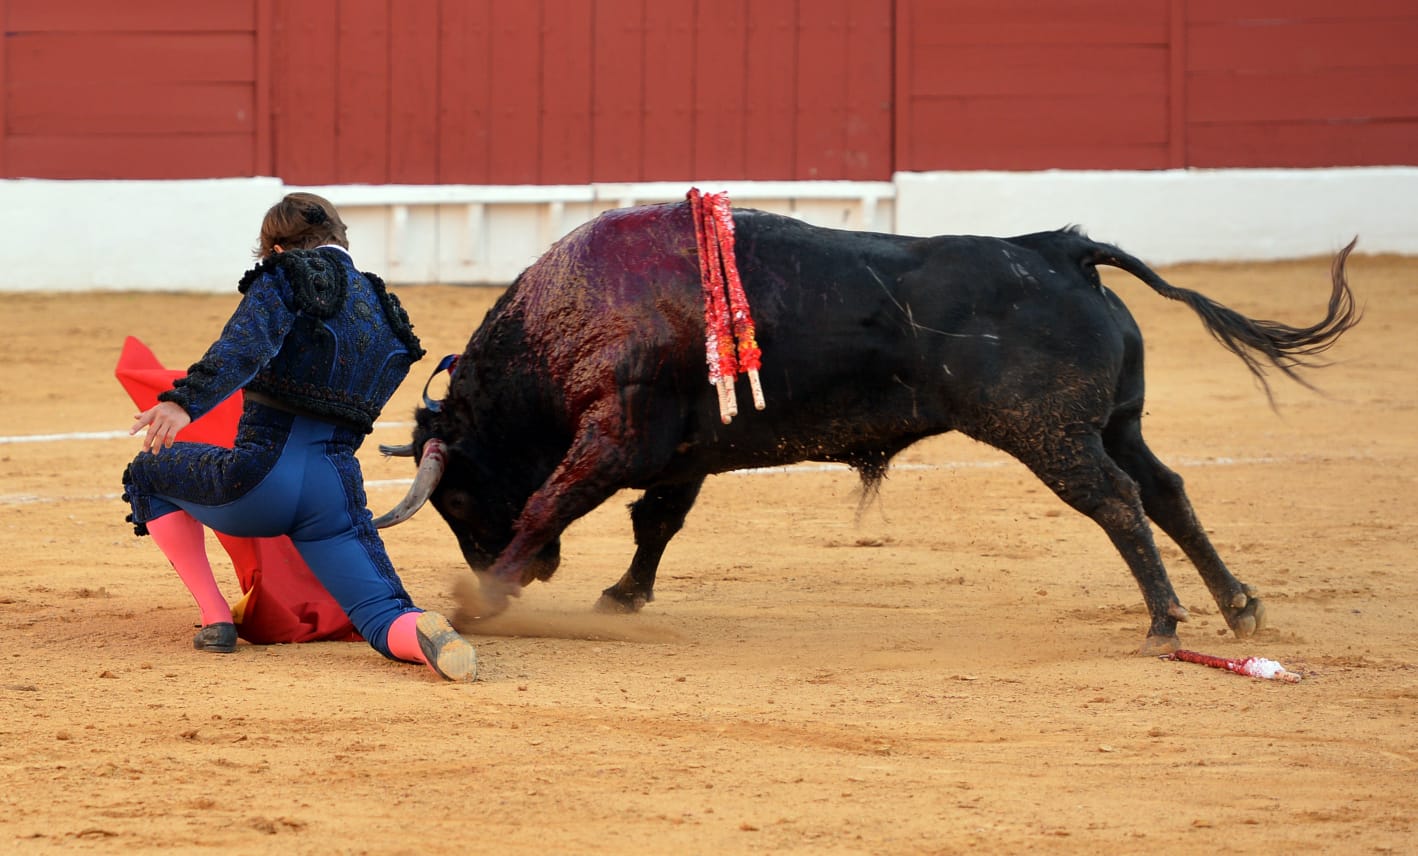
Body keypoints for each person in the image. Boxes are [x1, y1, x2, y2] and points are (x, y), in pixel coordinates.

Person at [121, 192, 477, 681]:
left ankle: (215, 618)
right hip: (335, 494)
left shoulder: (285, 276)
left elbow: (244, 348)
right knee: (383, 613)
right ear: (340, 237)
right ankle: (423, 635)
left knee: (146, 474)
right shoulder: (385, 310)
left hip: (259, 480)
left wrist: (183, 401)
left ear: (276, 250)